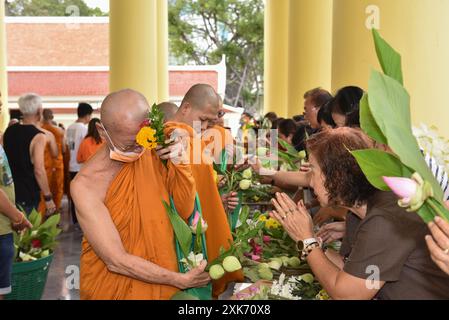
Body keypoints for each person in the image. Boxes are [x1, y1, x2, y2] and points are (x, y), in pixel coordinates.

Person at [270, 128, 449, 299]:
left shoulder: (385, 219)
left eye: (314, 172)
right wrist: (314, 243)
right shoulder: (358, 211)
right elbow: (349, 269)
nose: (310, 181)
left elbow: (347, 295)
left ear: (337, 176)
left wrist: (306, 240)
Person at [71, 89, 210, 300]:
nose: (138, 150)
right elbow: (115, 260)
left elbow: (185, 209)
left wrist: (180, 157)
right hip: (114, 287)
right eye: (129, 144)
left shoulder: (155, 147)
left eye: (141, 141)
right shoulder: (85, 185)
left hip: (163, 276)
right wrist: (178, 279)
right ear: (101, 131)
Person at [167, 84, 244, 297]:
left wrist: (218, 199)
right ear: (186, 108)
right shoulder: (166, 141)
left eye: (210, 121)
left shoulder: (194, 142)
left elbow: (198, 191)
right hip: (169, 234)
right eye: (203, 119)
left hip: (193, 229)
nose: (206, 126)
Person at [3, 94, 57, 216]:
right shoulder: (38, 136)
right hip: (27, 193)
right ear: (39, 111)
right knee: (27, 232)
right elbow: (39, 170)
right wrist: (48, 197)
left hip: (8, 190)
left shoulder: (9, 131)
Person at [66, 103, 93, 224]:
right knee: (82, 197)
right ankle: (83, 221)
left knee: (73, 195)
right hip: (81, 166)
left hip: (71, 166)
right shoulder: (83, 128)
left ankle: (75, 220)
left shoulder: (70, 127)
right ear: (87, 115)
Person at [38, 109, 66, 214]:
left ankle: (42, 215)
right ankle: (55, 214)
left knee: (44, 190)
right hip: (58, 163)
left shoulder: (39, 130)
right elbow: (63, 149)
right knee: (58, 190)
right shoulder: (59, 131)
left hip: (44, 164)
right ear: (52, 117)